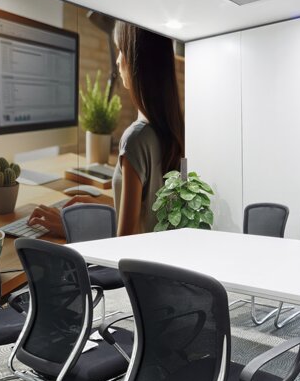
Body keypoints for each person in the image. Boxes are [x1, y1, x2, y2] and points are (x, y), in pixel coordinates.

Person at [28, 21, 184, 237]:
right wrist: (105, 207)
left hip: (132, 269)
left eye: (122, 50)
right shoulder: (174, 130)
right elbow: (151, 213)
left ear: (138, 61)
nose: (118, 60)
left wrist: (72, 228)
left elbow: (124, 243)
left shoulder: (136, 138)